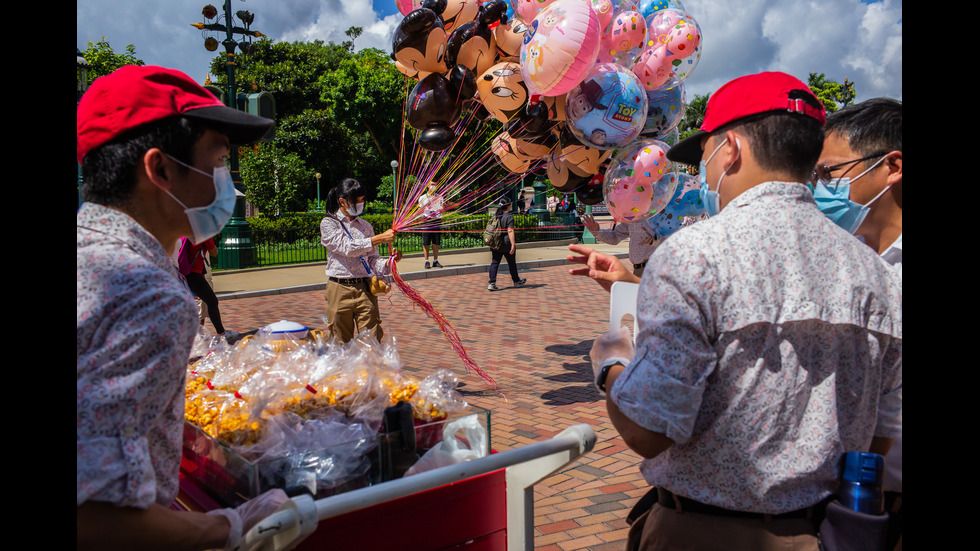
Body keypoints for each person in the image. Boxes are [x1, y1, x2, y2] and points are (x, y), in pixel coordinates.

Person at [587, 72, 902, 551]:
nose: (704, 177)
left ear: (729, 149)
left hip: (705, 532)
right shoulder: (877, 274)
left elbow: (648, 430)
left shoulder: (696, 253)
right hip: (830, 533)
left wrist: (611, 365)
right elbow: (878, 439)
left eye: (705, 159)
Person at [77, 65, 288, 550]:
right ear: (162, 170)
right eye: (219, 160)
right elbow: (94, 518)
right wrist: (228, 527)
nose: (227, 182)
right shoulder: (146, 295)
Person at [814, 97, 902, 550]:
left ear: (892, 167)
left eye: (830, 173)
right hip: (854, 501)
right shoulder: (854, 262)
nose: (819, 187)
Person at [320, 178, 402, 342]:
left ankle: (370, 368)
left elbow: (372, 260)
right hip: (339, 288)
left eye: (362, 200)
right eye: (356, 201)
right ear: (342, 201)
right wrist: (379, 238)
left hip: (365, 288)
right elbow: (347, 248)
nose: (361, 204)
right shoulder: (329, 223)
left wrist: (389, 262)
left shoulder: (365, 225)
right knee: (340, 342)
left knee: (372, 341)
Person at [178, 236, 231, 338]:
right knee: (212, 301)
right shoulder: (203, 235)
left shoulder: (187, 233)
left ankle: (196, 333)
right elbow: (214, 252)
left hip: (185, 273)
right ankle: (221, 333)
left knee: (196, 303)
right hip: (194, 274)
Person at [581, 215, 662, 278]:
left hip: (654, 269)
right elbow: (615, 236)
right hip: (638, 270)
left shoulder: (661, 212)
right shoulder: (633, 216)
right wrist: (597, 232)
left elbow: (671, 239)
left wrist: (654, 241)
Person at [487, 196, 526, 291]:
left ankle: (491, 283)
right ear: (508, 206)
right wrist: (513, 244)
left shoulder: (496, 215)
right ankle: (516, 281)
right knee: (511, 263)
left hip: (495, 242)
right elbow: (510, 231)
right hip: (506, 243)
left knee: (495, 262)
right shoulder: (509, 216)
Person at [417, 180, 444, 268]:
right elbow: (419, 210)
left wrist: (443, 206)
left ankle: (435, 261)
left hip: (436, 220)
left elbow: (441, 208)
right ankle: (426, 261)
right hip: (427, 220)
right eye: (432, 184)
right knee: (426, 242)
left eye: (435, 185)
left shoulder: (439, 197)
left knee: (436, 242)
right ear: (428, 186)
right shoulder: (422, 198)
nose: (434, 186)